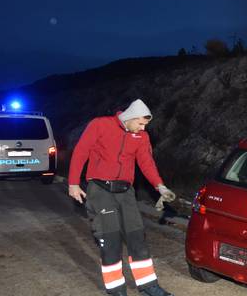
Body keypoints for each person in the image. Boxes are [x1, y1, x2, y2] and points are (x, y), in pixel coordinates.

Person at [68, 99, 176, 296]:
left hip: (126, 191)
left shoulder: (141, 137)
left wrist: (160, 186)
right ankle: (116, 290)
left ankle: (148, 285)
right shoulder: (100, 125)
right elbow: (81, 151)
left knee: (137, 237)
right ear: (130, 118)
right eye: (140, 124)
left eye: (145, 125)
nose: (143, 128)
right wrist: (73, 183)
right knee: (110, 240)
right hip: (100, 189)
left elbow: (146, 163)